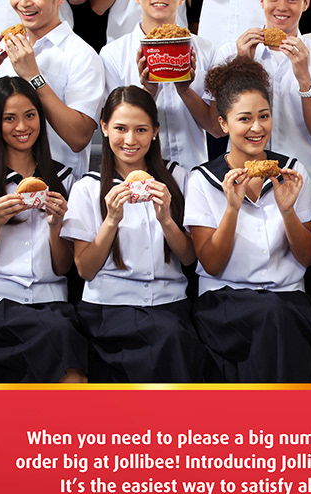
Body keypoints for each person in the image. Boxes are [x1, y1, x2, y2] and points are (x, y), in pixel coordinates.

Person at [185, 56, 311, 381]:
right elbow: (212, 264)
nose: (257, 128)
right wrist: (231, 209)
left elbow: (307, 258)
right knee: (271, 318)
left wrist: (287, 211)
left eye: (264, 116)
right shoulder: (202, 179)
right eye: (244, 119)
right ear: (223, 124)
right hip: (224, 301)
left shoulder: (292, 172)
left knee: (278, 316)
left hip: (287, 299)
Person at [63, 86, 205, 383]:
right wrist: (111, 220)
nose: (130, 140)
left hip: (168, 305)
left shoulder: (179, 178)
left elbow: (189, 258)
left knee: (174, 342)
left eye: (141, 130)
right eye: (120, 128)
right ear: (104, 128)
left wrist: (166, 218)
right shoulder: (87, 187)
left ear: (155, 132)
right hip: (106, 311)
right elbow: (85, 270)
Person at [0, 76, 85, 383]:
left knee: (70, 359)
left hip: (51, 302)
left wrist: (55, 225)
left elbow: (63, 268)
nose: (22, 127)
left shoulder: (63, 178)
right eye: (9, 118)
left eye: (30, 115)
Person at [211, 0, 311, 201]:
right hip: (242, 181)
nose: (282, 7)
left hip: (301, 182)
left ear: (306, 3)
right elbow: (216, 125)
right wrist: (242, 66)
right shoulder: (232, 51)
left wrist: (304, 79)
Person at [0, 0, 104, 176]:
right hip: (0, 182)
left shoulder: (82, 55)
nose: (24, 2)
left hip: (60, 185)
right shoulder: (4, 47)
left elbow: (79, 138)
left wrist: (33, 77)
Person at [100, 0, 213, 171]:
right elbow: (111, 128)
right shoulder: (112, 54)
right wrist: (147, 93)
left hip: (194, 171)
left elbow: (216, 128)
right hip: (136, 173)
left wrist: (185, 90)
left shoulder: (205, 49)